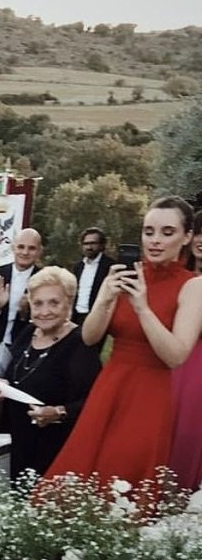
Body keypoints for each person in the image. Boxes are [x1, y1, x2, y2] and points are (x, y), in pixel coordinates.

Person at [44, 197, 202, 493]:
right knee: (79, 473)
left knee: (123, 480)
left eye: (167, 232)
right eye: (148, 231)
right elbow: (90, 338)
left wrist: (142, 308)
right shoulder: (124, 275)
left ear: (187, 237)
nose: (155, 240)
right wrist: (105, 298)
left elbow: (176, 355)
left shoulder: (193, 286)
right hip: (110, 387)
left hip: (150, 394)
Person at [0, 267, 101, 481]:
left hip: (56, 448)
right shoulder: (29, 332)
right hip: (19, 442)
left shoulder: (80, 344)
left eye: (54, 303)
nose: (45, 311)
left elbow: (94, 400)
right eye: (38, 303)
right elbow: (13, 373)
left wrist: (58, 412)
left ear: (69, 303)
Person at [0, 228, 43, 435]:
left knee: (12, 396)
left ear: (39, 251)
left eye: (31, 248)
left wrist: (27, 313)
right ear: (13, 247)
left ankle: (9, 434)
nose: (25, 252)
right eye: (21, 247)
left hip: (22, 347)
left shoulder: (43, 278)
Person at [169, 210, 202, 489]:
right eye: (199, 233)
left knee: (189, 429)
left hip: (197, 367)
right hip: (169, 360)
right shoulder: (175, 275)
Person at [72, 227, 113, 326]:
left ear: (101, 245)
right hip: (77, 316)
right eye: (86, 244)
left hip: (98, 316)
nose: (89, 247)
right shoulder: (78, 267)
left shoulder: (110, 266)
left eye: (93, 243)